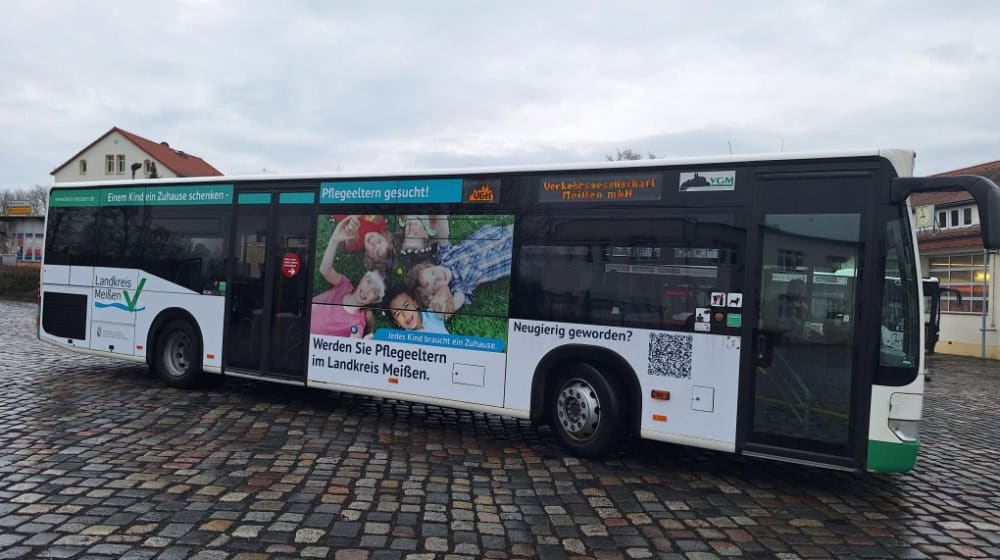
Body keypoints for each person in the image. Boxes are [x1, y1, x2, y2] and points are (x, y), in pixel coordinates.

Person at [405, 223, 513, 312]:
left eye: (433, 272)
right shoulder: (458, 285)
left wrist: (440, 216)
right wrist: (441, 308)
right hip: (505, 258)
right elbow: (455, 304)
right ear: (437, 293)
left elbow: (443, 234)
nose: (438, 276)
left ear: (431, 266)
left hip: (492, 237)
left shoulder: (444, 257)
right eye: (435, 285)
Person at [312, 218, 386, 338]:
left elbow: (353, 341)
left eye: (375, 291)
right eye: (368, 281)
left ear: (375, 300)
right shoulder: (344, 286)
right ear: (362, 278)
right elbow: (325, 270)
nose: (367, 290)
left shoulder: (357, 323)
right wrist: (335, 239)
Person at [383, 284, 450, 334]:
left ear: (415, 303)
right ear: (397, 322)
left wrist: (444, 290)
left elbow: (447, 300)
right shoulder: (405, 340)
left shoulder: (431, 315)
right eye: (398, 313)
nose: (405, 314)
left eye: (406, 306)